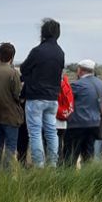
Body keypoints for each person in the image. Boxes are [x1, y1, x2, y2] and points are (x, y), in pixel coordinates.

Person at [20, 18, 66, 167]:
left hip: (36, 97)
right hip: (53, 98)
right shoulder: (60, 53)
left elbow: (24, 69)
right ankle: (52, 164)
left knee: (34, 132)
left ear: (43, 33)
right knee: (51, 132)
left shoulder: (38, 51)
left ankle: (39, 165)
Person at [0, 43, 24, 174]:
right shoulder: (13, 73)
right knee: (10, 147)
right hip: (11, 116)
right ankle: (6, 177)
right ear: (12, 57)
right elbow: (18, 94)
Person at [64, 60, 102, 166]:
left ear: (80, 70)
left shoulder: (77, 85)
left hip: (78, 124)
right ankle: (87, 178)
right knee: (88, 155)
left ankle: (68, 179)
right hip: (95, 124)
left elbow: (67, 99)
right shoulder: (99, 83)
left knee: (71, 155)